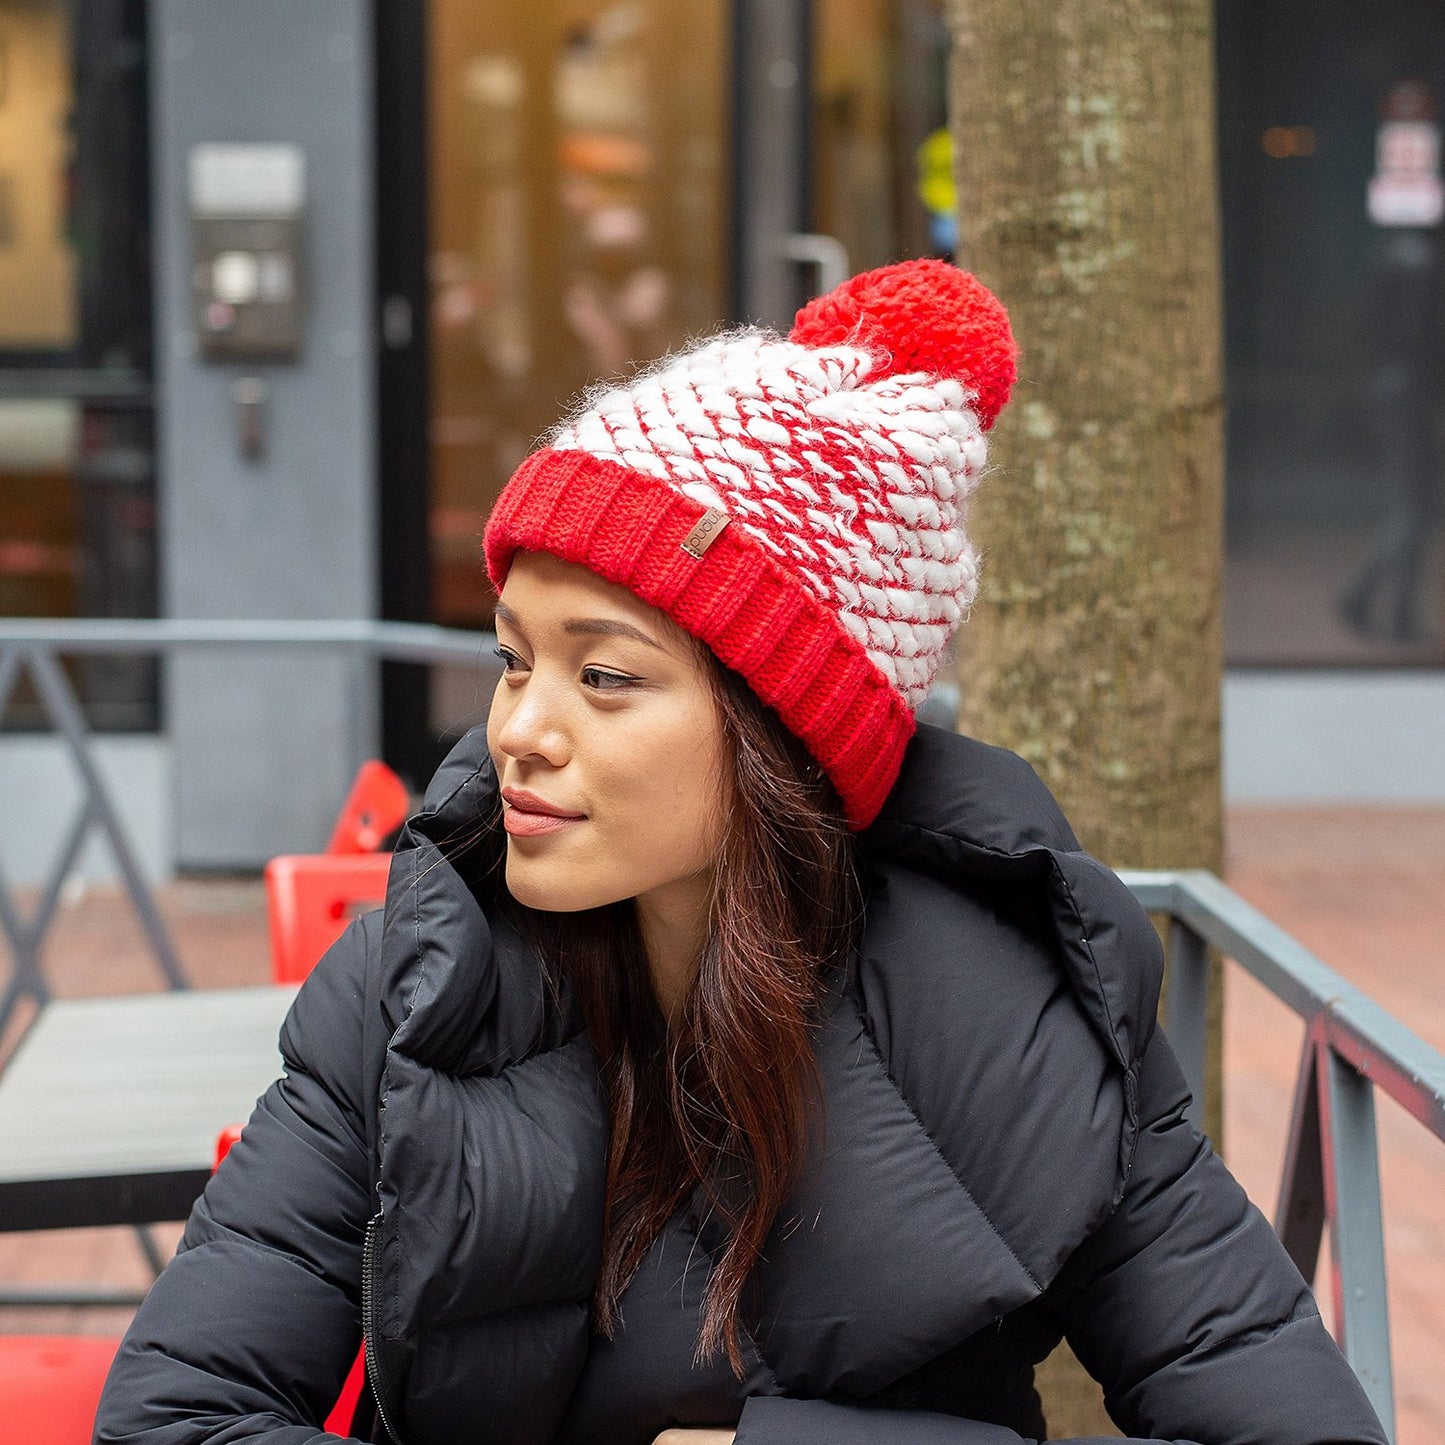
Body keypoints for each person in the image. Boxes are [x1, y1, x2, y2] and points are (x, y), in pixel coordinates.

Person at [96, 260, 1387, 1445]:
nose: (517, 733)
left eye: (603, 673)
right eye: (511, 658)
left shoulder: (1026, 1024)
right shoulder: (411, 984)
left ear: (787, 731)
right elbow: (176, 1414)